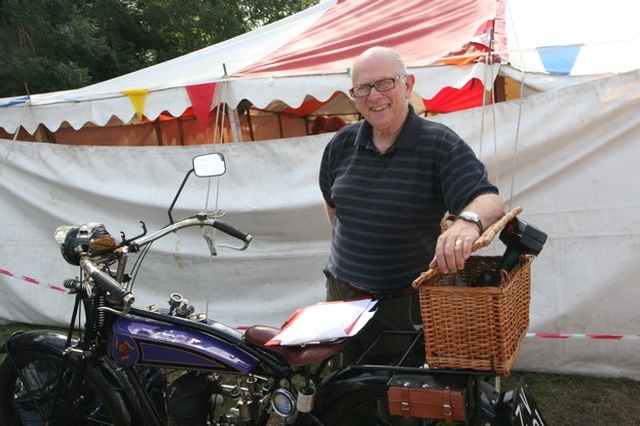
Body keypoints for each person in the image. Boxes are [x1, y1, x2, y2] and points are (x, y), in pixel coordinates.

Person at [318, 46, 504, 364]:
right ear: (354, 94)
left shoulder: (440, 144)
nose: (374, 96)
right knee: (341, 395)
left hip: (403, 305)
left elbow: (490, 200)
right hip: (342, 297)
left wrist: (465, 223)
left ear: (408, 84)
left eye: (385, 83)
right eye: (363, 88)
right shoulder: (341, 143)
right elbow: (332, 203)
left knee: (399, 399)